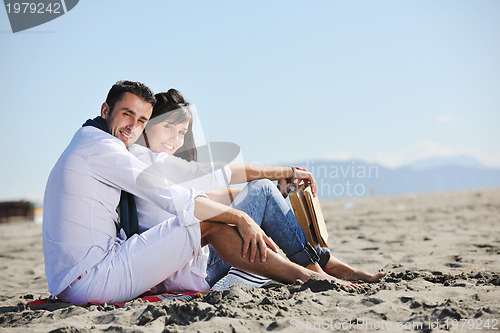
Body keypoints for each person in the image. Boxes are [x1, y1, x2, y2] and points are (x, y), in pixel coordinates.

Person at [42, 80, 339, 305]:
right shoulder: (110, 151)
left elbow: (213, 185)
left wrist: (274, 181)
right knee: (207, 218)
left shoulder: (97, 143)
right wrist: (242, 217)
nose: (133, 126)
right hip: (91, 278)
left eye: (141, 119)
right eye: (127, 115)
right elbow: (180, 199)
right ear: (106, 110)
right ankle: (314, 271)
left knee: (231, 205)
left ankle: (316, 266)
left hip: (78, 276)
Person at [129, 89, 386, 291]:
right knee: (261, 188)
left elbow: (220, 195)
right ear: (148, 125)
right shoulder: (149, 161)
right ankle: (319, 266)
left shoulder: (157, 166)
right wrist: (287, 172)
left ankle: (321, 264)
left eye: (182, 131)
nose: (175, 138)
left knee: (262, 191)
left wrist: (276, 194)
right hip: (194, 272)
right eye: (168, 127)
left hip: (193, 266)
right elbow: (227, 172)